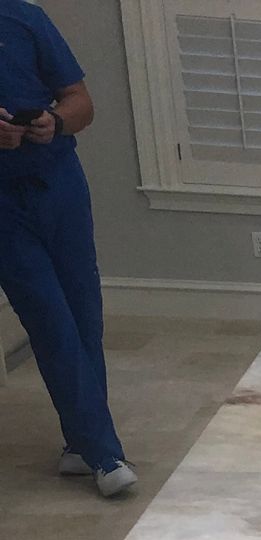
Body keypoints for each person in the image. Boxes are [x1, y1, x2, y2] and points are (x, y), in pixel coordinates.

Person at [0, 0, 135, 498]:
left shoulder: (25, 18)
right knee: (49, 321)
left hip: (59, 186)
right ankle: (105, 454)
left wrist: (52, 123)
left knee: (83, 317)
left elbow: (81, 102)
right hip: (3, 209)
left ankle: (80, 446)